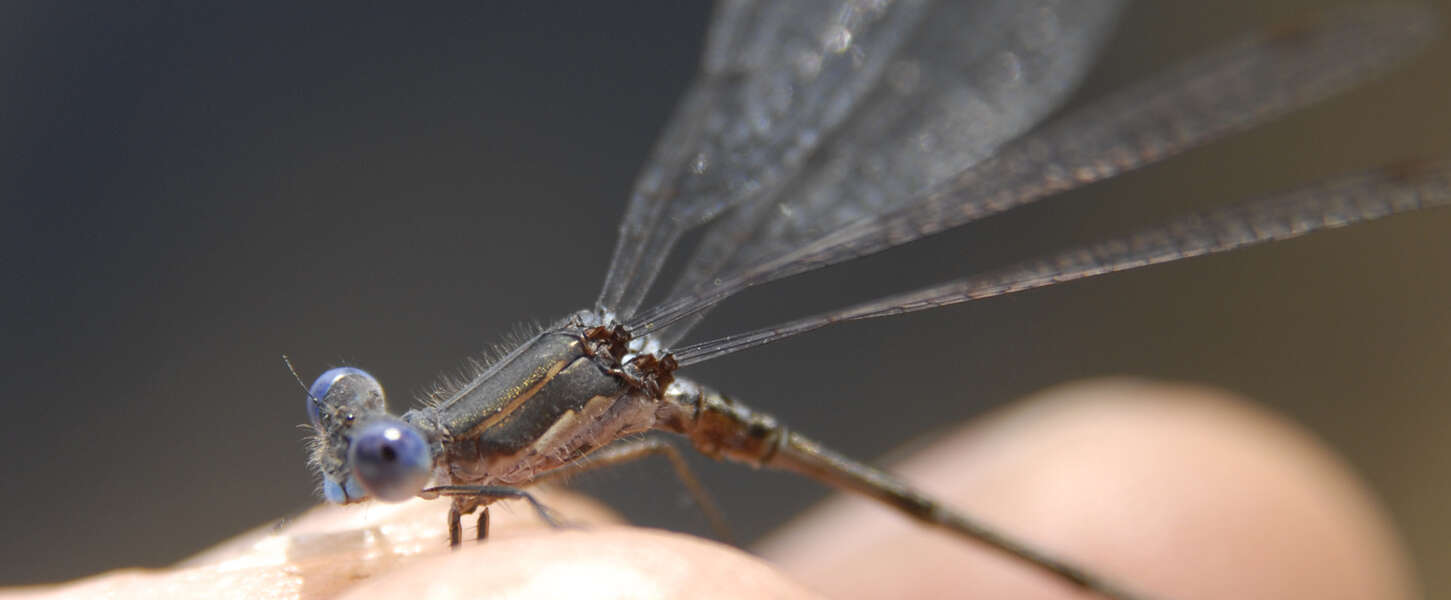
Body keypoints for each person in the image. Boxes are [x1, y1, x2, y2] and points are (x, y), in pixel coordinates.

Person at [11, 379, 1416, 599]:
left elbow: (552, 499)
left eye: (372, 447)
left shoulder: (494, 464)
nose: (362, 450)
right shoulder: (460, 454)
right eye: (365, 436)